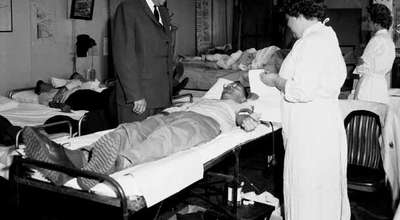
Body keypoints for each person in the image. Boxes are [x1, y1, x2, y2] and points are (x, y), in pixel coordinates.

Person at [22, 81, 259, 190]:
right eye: (227, 86)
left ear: (243, 96)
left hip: (204, 123)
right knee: (128, 130)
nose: (229, 87)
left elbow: (245, 117)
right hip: (173, 113)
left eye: (236, 87)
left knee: (168, 138)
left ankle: (118, 163)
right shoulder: (205, 98)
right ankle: (74, 158)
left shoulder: (240, 106)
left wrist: (246, 119)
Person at [259, 0, 350, 220]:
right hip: (322, 128)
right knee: (322, 197)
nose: (288, 25)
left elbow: (301, 89)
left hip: (311, 134)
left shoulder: (311, 42)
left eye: (288, 19)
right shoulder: (326, 35)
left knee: (307, 196)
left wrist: (275, 81)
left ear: (297, 14)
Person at [112, 0, 178, 123]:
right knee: (135, 144)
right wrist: (136, 95)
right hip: (139, 101)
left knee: (159, 144)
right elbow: (124, 56)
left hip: (161, 97)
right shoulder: (128, 9)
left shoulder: (163, 13)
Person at [352, 3, 395, 104]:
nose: (368, 23)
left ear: (376, 23)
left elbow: (362, 67)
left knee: (364, 117)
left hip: (368, 88)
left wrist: (357, 60)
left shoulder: (376, 40)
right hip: (381, 88)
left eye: (369, 20)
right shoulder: (389, 41)